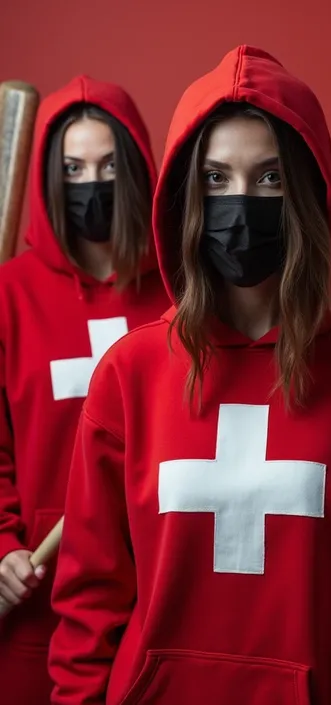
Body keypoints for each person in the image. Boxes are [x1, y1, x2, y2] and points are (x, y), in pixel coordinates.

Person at [49, 48, 331, 705]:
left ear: (306, 194)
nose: (241, 204)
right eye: (216, 179)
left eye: (269, 179)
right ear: (185, 195)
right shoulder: (129, 373)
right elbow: (89, 598)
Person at [0, 75, 168, 705]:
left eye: (105, 166)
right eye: (72, 168)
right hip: (41, 595)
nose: (89, 186)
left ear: (136, 171)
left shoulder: (183, 293)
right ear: (48, 177)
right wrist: (5, 546)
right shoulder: (9, 296)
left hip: (155, 585)